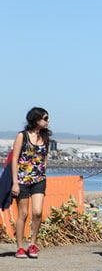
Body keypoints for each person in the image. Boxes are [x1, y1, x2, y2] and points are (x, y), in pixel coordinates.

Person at [9, 107, 51, 259]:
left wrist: (43, 169)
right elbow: (15, 159)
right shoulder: (22, 136)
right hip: (22, 180)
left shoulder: (46, 137)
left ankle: (32, 243)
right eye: (45, 118)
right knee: (23, 214)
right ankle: (20, 247)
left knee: (38, 212)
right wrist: (15, 182)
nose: (48, 121)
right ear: (36, 119)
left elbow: (45, 157)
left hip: (39, 179)